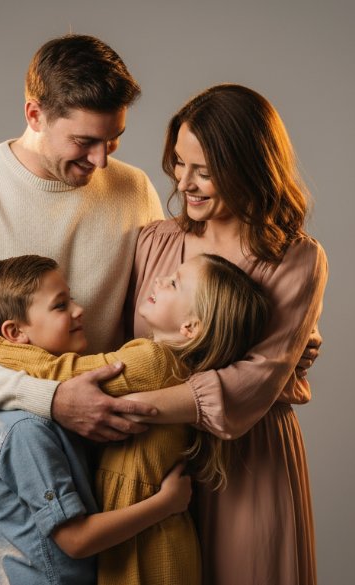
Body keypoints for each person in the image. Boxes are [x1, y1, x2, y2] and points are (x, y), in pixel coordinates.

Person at [0, 34, 164, 585]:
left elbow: (166, 305)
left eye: (113, 141)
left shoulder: (134, 189)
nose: (99, 160)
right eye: (84, 141)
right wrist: (53, 400)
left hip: (110, 460)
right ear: (34, 114)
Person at [121, 84, 329, 584]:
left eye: (205, 171)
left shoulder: (296, 258)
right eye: (179, 163)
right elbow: (122, 352)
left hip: (247, 468)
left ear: (248, 168)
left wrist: (125, 407)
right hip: (153, 463)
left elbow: (253, 381)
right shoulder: (154, 242)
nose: (184, 183)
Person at [0, 252, 271, 585]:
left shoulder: (153, 361)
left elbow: (60, 373)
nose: (159, 280)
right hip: (134, 540)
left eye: (174, 283)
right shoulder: (162, 365)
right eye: (61, 305)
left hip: (150, 550)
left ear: (190, 327)